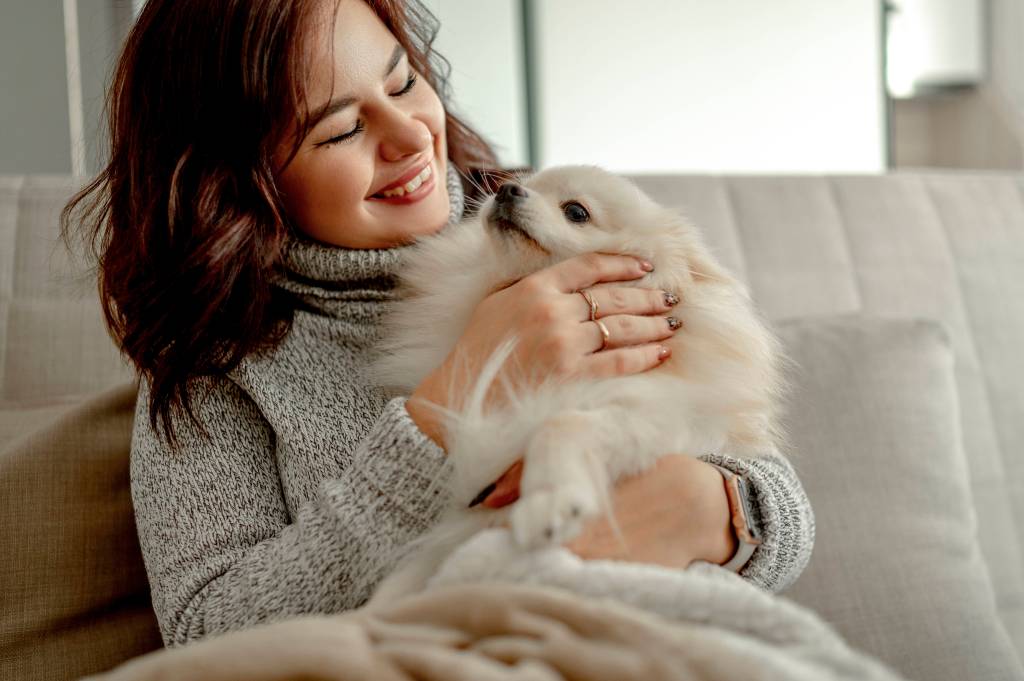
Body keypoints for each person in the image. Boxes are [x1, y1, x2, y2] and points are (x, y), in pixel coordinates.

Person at [63, 0, 815, 648]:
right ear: (239, 182)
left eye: (403, 83)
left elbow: (770, 489)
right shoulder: (214, 375)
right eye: (339, 131)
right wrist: (450, 402)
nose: (410, 136)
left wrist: (714, 508)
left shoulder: (561, 228)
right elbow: (209, 637)